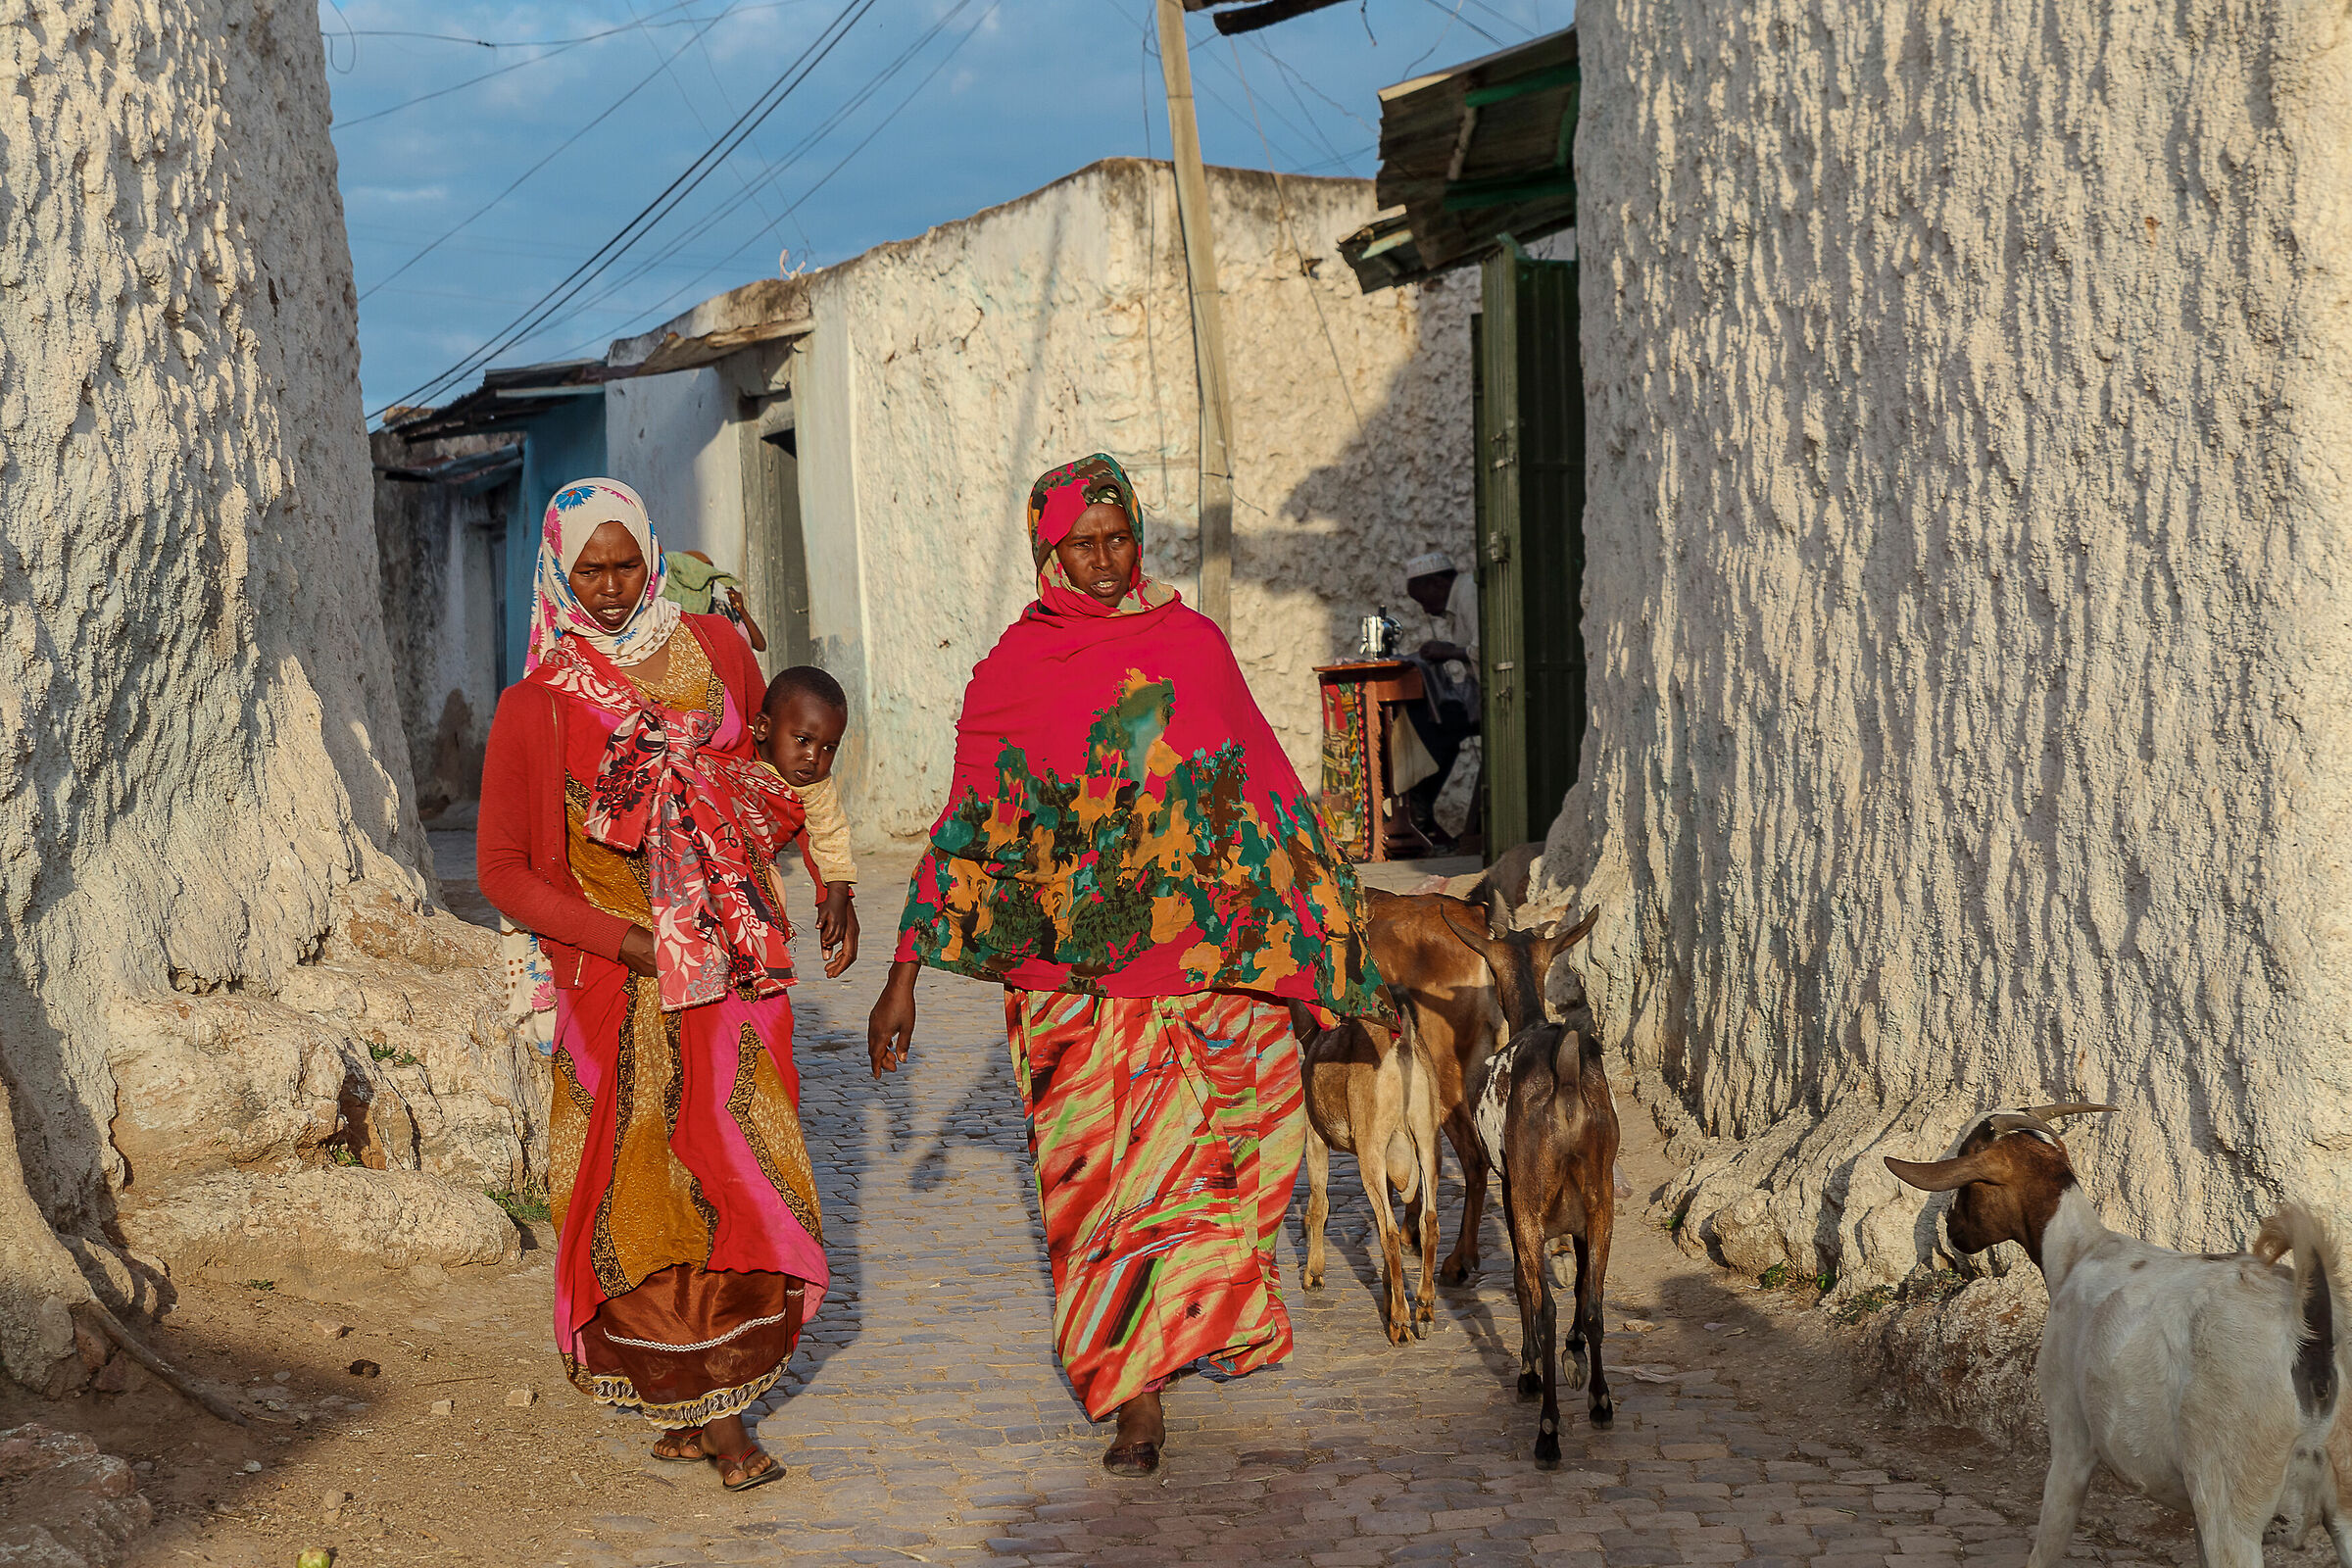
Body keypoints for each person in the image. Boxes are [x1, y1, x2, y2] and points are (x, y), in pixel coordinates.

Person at [865, 454, 1388, 1477]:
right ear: (1047, 549)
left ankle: (1187, 1319)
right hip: (1068, 986)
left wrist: (1331, 950)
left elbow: (1261, 786)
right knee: (1100, 1186)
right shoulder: (1012, 671)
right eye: (1082, 545)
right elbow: (970, 822)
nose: (1104, 564)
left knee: (1252, 1128)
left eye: (1118, 540)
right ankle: (1133, 1394)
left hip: (1198, 968)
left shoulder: (1190, 646)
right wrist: (903, 971)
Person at [477, 478, 823, 1494]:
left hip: (737, 979)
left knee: (742, 1174)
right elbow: (505, 870)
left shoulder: (718, 653)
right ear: (557, 571)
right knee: (650, 1192)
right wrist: (626, 941)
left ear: (655, 552)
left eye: (628, 563)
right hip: (622, 990)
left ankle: (693, 1395)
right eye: (591, 568)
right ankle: (724, 1416)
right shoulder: (537, 704)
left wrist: (817, 868)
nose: (616, 586)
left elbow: (773, 777)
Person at [750, 665, 858, 976]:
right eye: (802, 740)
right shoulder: (733, 757)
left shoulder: (816, 786)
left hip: (760, 887)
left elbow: (831, 835)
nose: (814, 757)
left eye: (829, 747)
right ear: (762, 728)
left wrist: (836, 894)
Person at [1401, 550, 1482, 853]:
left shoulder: (1469, 592)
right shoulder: (1462, 594)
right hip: (1476, 690)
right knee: (1430, 721)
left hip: (1490, 692)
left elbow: (1485, 646)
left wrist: (1447, 652)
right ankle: (1418, 811)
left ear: (1435, 583)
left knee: (1432, 725)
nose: (1425, 610)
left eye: (1423, 600)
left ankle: (1418, 813)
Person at [662, 549, 768, 654]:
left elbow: (760, 645)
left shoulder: (722, 608)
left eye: (712, 578)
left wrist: (742, 611)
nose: (711, 583)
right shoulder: (671, 612)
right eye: (706, 578)